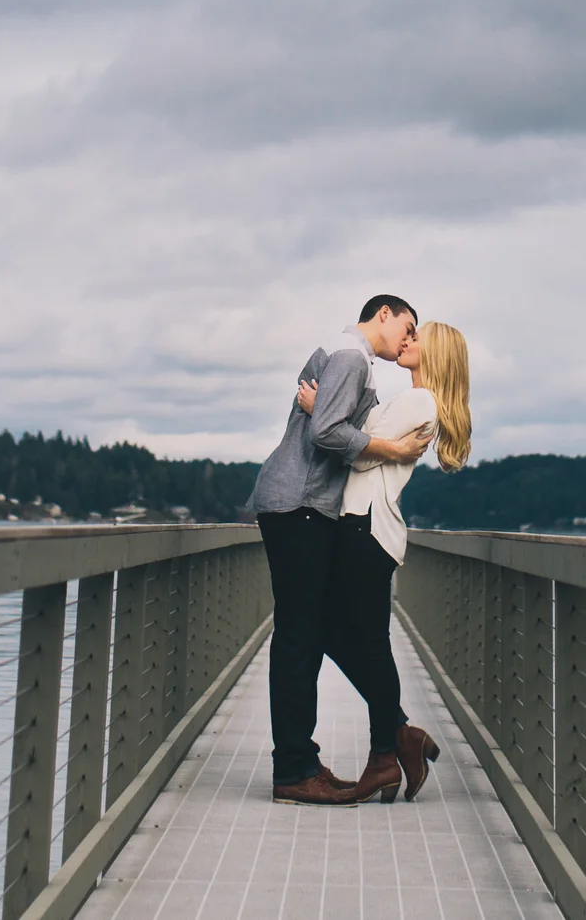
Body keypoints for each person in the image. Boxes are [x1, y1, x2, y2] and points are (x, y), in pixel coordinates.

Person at [243, 295, 431, 804]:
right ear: (384, 314)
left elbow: (339, 424)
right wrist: (394, 450)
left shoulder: (350, 360)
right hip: (301, 502)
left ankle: (328, 751)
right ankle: (295, 770)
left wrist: (317, 410)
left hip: (303, 504)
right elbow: (329, 432)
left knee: (307, 632)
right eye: (406, 327)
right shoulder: (351, 356)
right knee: (299, 638)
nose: (407, 339)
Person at [304, 318, 472, 802]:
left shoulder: (420, 402)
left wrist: (322, 413)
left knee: (352, 637)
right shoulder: (415, 401)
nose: (408, 340)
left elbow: (356, 457)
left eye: (418, 338)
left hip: (365, 526)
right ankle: (394, 744)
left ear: (434, 354)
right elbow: (369, 445)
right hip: (367, 529)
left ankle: (391, 748)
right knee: (363, 639)